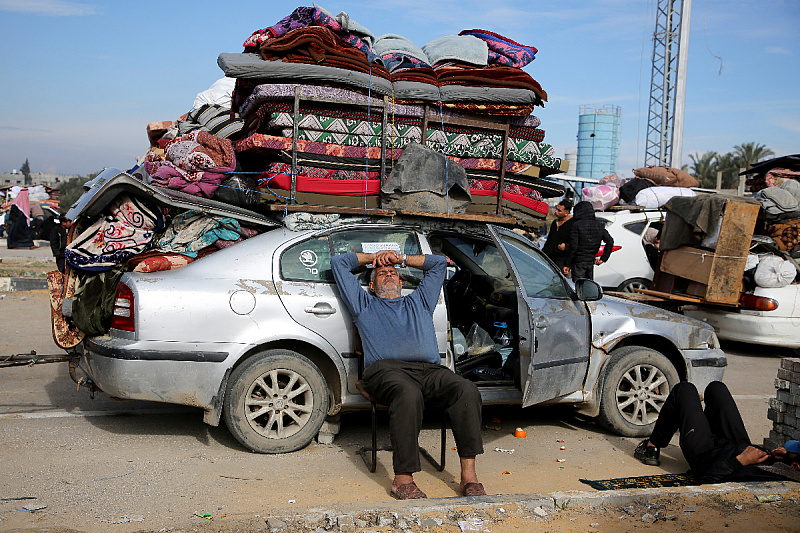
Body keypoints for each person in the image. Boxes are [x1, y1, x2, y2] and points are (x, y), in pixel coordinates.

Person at [331, 249, 485, 500]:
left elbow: (437, 264)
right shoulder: (364, 304)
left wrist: (400, 258)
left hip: (429, 371)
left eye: (393, 273)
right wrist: (375, 257)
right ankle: (403, 479)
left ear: (402, 282)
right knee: (408, 392)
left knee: (466, 389)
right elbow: (339, 262)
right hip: (386, 371)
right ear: (371, 285)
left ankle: (469, 477)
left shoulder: (420, 301)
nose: (389, 275)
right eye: (382, 274)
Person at [634, 381, 800, 484]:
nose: (789, 450)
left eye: (793, 452)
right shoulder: (785, 466)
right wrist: (786, 456)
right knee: (716, 388)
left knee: (684, 389)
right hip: (734, 445)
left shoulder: (769, 474)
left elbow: (707, 477)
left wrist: (740, 461)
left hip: (707, 456)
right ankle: (703, 423)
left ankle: (652, 446)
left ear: (796, 466)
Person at [564, 200, 613, 281]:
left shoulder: (577, 225)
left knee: (578, 287)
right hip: (591, 262)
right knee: (588, 286)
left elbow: (574, 246)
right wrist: (603, 258)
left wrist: (567, 264)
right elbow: (610, 241)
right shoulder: (599, 225)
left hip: (578, 262)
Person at [541, 199, 574, 271]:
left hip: (563, 261)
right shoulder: (554, 223)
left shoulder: (572, 225)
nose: (556, 212)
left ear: (566, 213)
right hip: (551, 259)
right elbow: (550, 240)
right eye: (556, 209)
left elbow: (575, 243)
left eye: (559, 210)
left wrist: (566, 246)